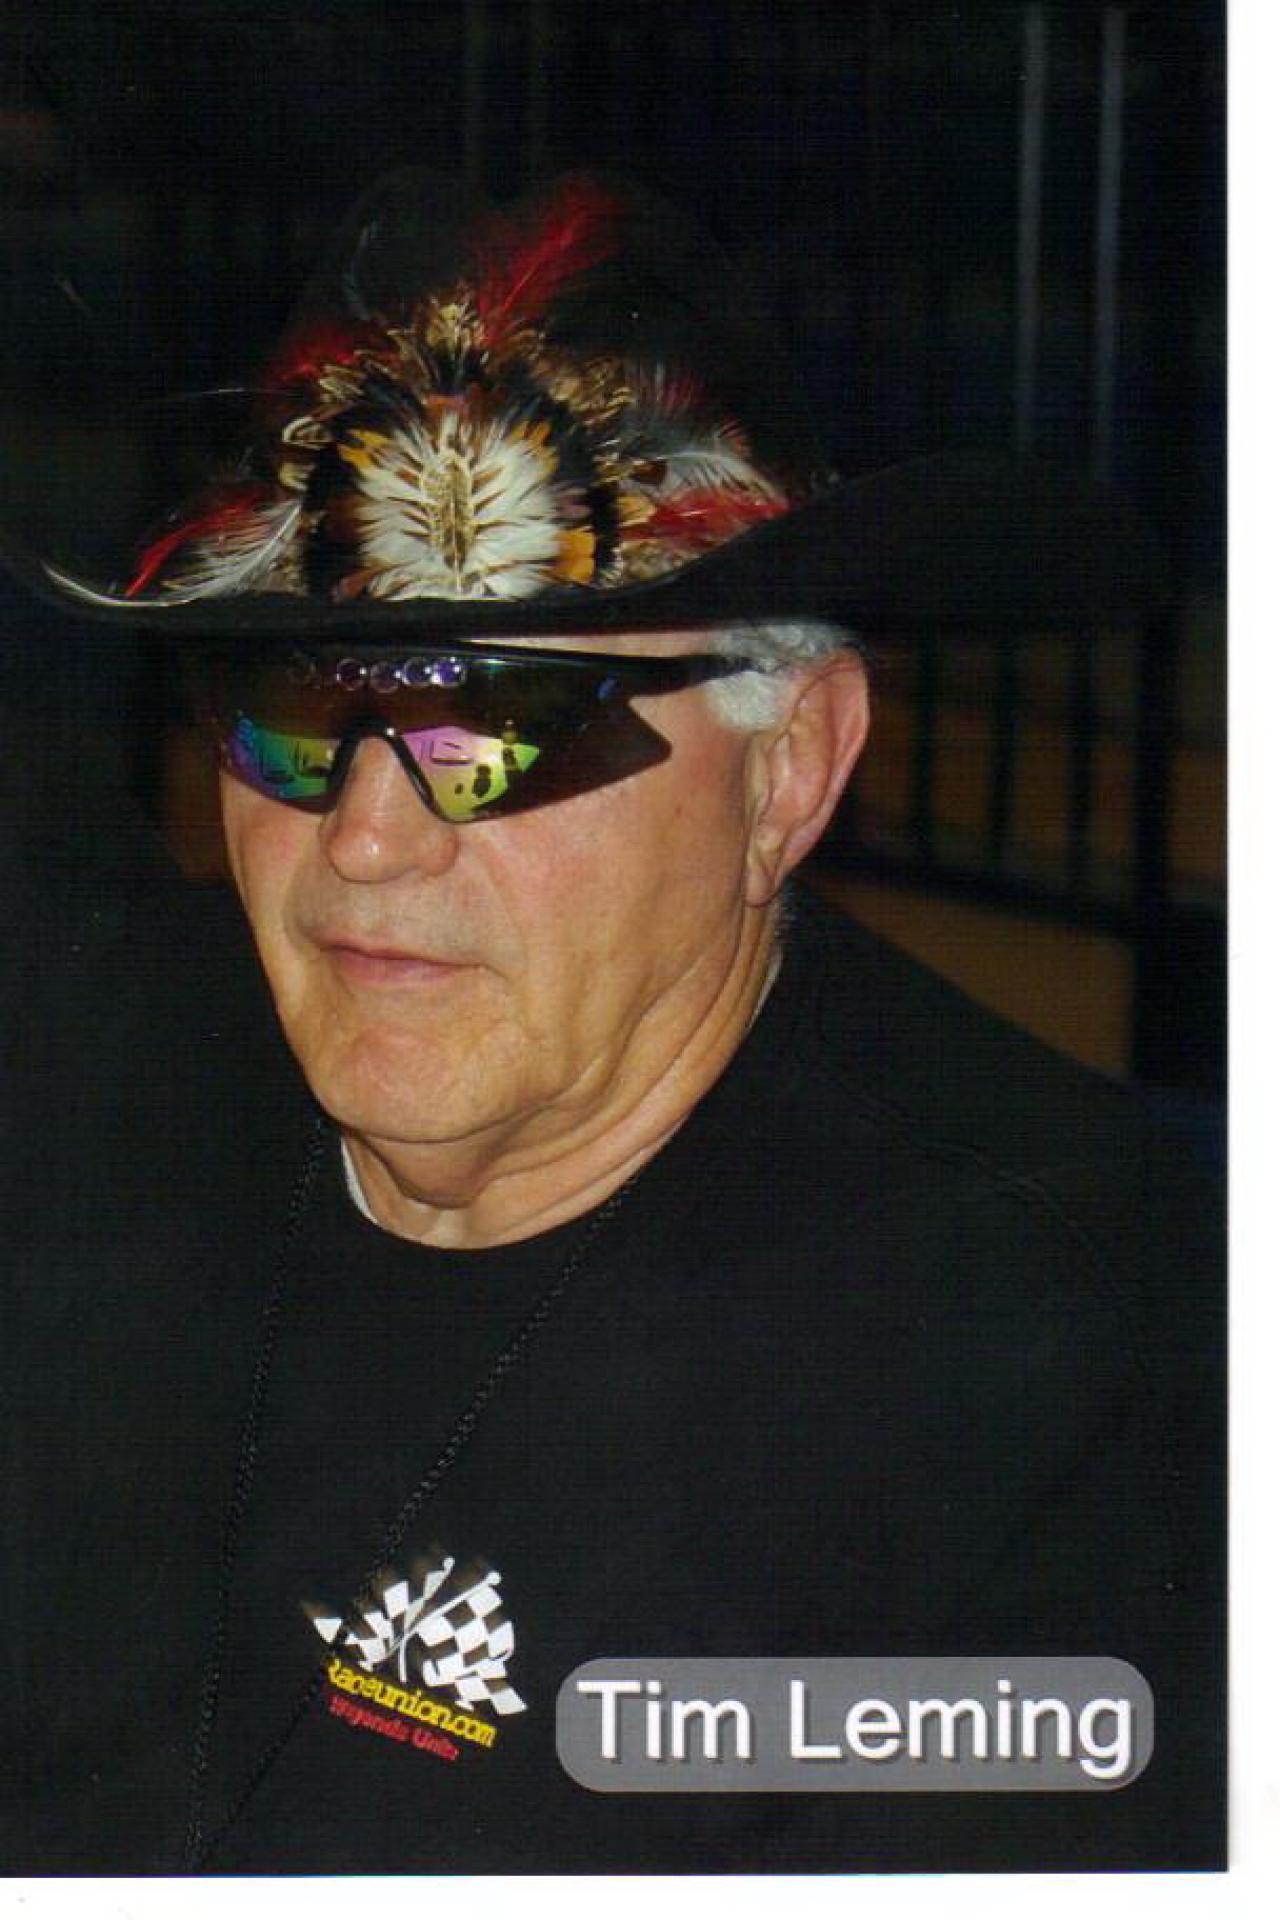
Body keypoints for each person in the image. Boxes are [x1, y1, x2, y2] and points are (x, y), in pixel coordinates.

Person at [0, 171, 1222, 1875]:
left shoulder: (1077, 1394)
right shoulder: (85, 1076)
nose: (365, 839)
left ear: (787, 768)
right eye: (296, 709)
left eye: (501, 721)